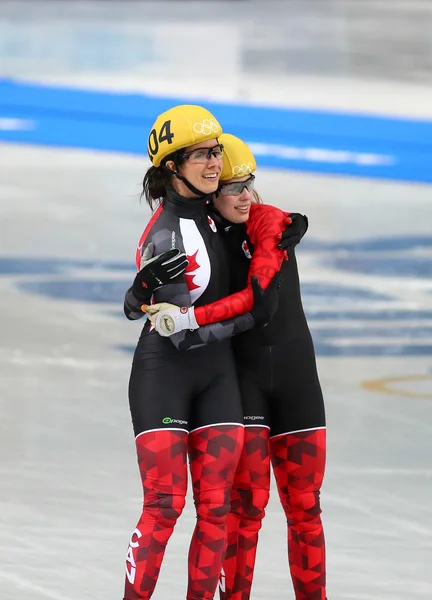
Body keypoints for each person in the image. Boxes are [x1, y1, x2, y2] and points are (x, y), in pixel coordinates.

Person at [146, 134, 327, 600]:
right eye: (234, 188)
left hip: (294, 378)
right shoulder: (202, 231)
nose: (247, 196)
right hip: (245, 380)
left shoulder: (268, 222)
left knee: (305, 508)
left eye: (251, 185)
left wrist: (189, 318)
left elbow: (261, 304)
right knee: (246, 509)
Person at [121, 105, 283, 600]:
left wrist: (280, 226)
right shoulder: (168, 233)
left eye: (216, 152)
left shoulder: (215, 215)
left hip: (218, 377)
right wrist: (252, 313)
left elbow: (249, 202)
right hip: (166, 373)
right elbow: (179, 333)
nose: (215, 164)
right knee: (165, 504)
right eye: (202, 156)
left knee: (218, 509)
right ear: (172, 167)